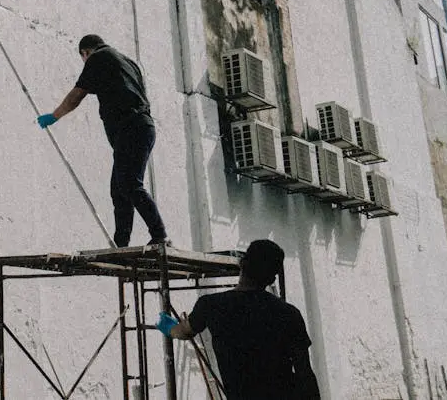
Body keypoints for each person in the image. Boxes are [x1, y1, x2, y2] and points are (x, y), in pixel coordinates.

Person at [37, 34, 167, 247]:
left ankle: (160, 235)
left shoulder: (98, 58)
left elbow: (77, 94)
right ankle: (121, 243)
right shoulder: (128, 63)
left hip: (130, 128)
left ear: (85, 53)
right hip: (141, 127)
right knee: (119, 189)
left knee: (130, 184)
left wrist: (54, 116)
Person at [157, 239, 321, 400]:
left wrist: (167, 326)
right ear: (272, 278)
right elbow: (305, 372)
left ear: (242, 264)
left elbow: (184, 331)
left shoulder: (211, 306)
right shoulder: (289, 314)